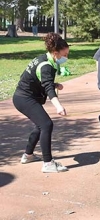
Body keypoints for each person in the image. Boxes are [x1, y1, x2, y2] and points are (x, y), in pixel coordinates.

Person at [13, 32, 69, 173]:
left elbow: (40, 80)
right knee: (46, 124)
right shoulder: (46, 66)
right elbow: (48, 88)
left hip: (23, 96)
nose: (66, 58)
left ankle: (28, 155)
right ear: (55, 53)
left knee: (40, 126)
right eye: (65, 55)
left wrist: (54, 84)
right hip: (24, 98)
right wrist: (58, 106)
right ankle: (48, 163)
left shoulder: (45, 59)